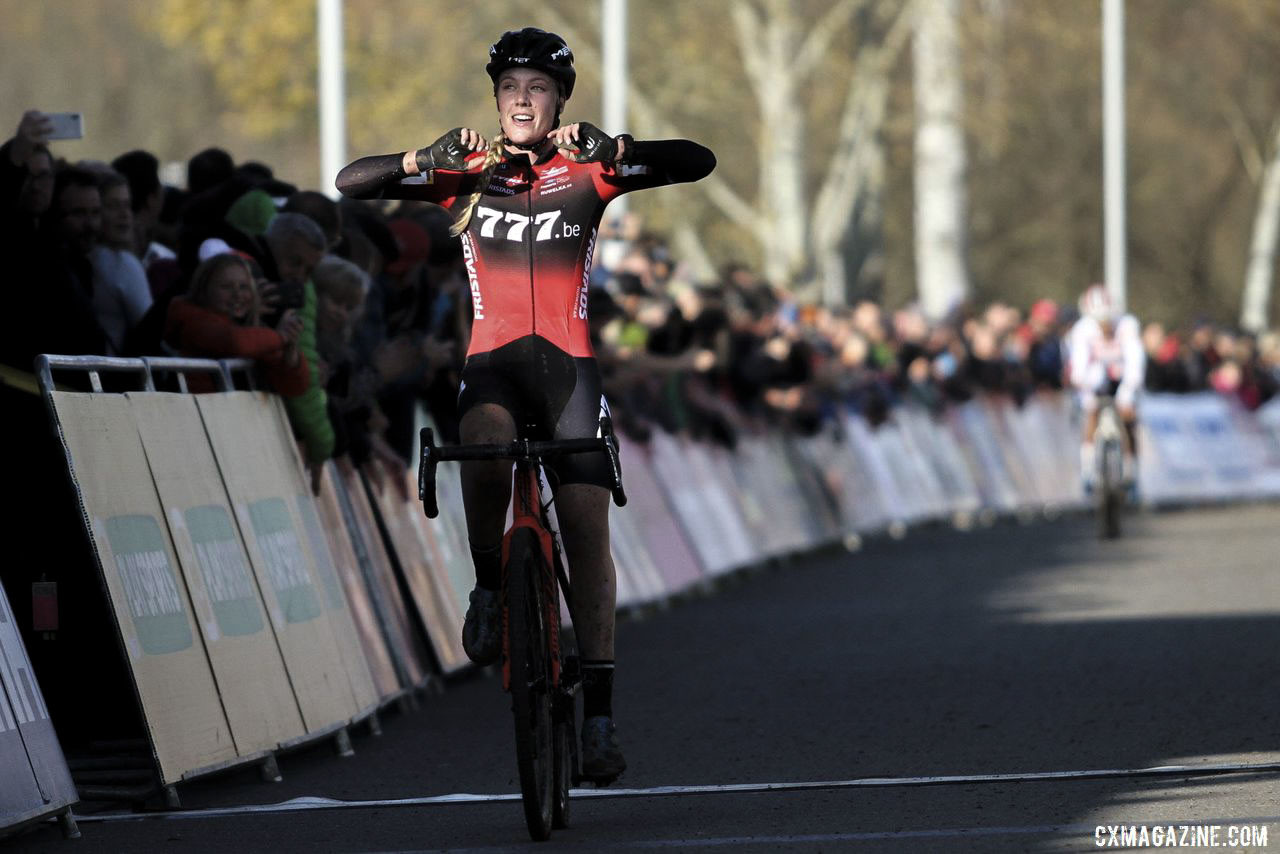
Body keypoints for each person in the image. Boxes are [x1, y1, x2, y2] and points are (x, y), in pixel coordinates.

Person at [336, 26, 715, 783]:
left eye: (537, 88)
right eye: (509, 87)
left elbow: (696, 161)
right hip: (494, 366)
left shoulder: (591, 168)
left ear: (559, 100)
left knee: (582, 522)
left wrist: (619, 147)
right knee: (480, 433)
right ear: (495, 98)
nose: (521, 99)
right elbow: (351, 182)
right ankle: (486, 588)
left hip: (570, 371)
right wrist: (420, 159)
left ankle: (600, 714)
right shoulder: (464, 172)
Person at [163, 252, 309, 396]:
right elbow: (235, 342)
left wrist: (290, 354)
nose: (237, 295)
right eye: (226, 287)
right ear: (204, 289)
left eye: (244, 287)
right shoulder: (193, 321)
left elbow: (294, 388)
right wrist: (281, 337)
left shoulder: (251, 329)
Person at [1066, 284, 1145, 490]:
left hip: (1123, 376)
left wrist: (1127, 391)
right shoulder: (1082, 329)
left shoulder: (1128, 325)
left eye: (1108, 320)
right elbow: (1079, 365)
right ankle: (1088, 469)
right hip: (1095, 378)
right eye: (1099, 321)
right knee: (1091, 412)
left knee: (1128, 418)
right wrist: (1085, 388)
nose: (1105, 326)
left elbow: (1135, 361)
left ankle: (1131, 472)